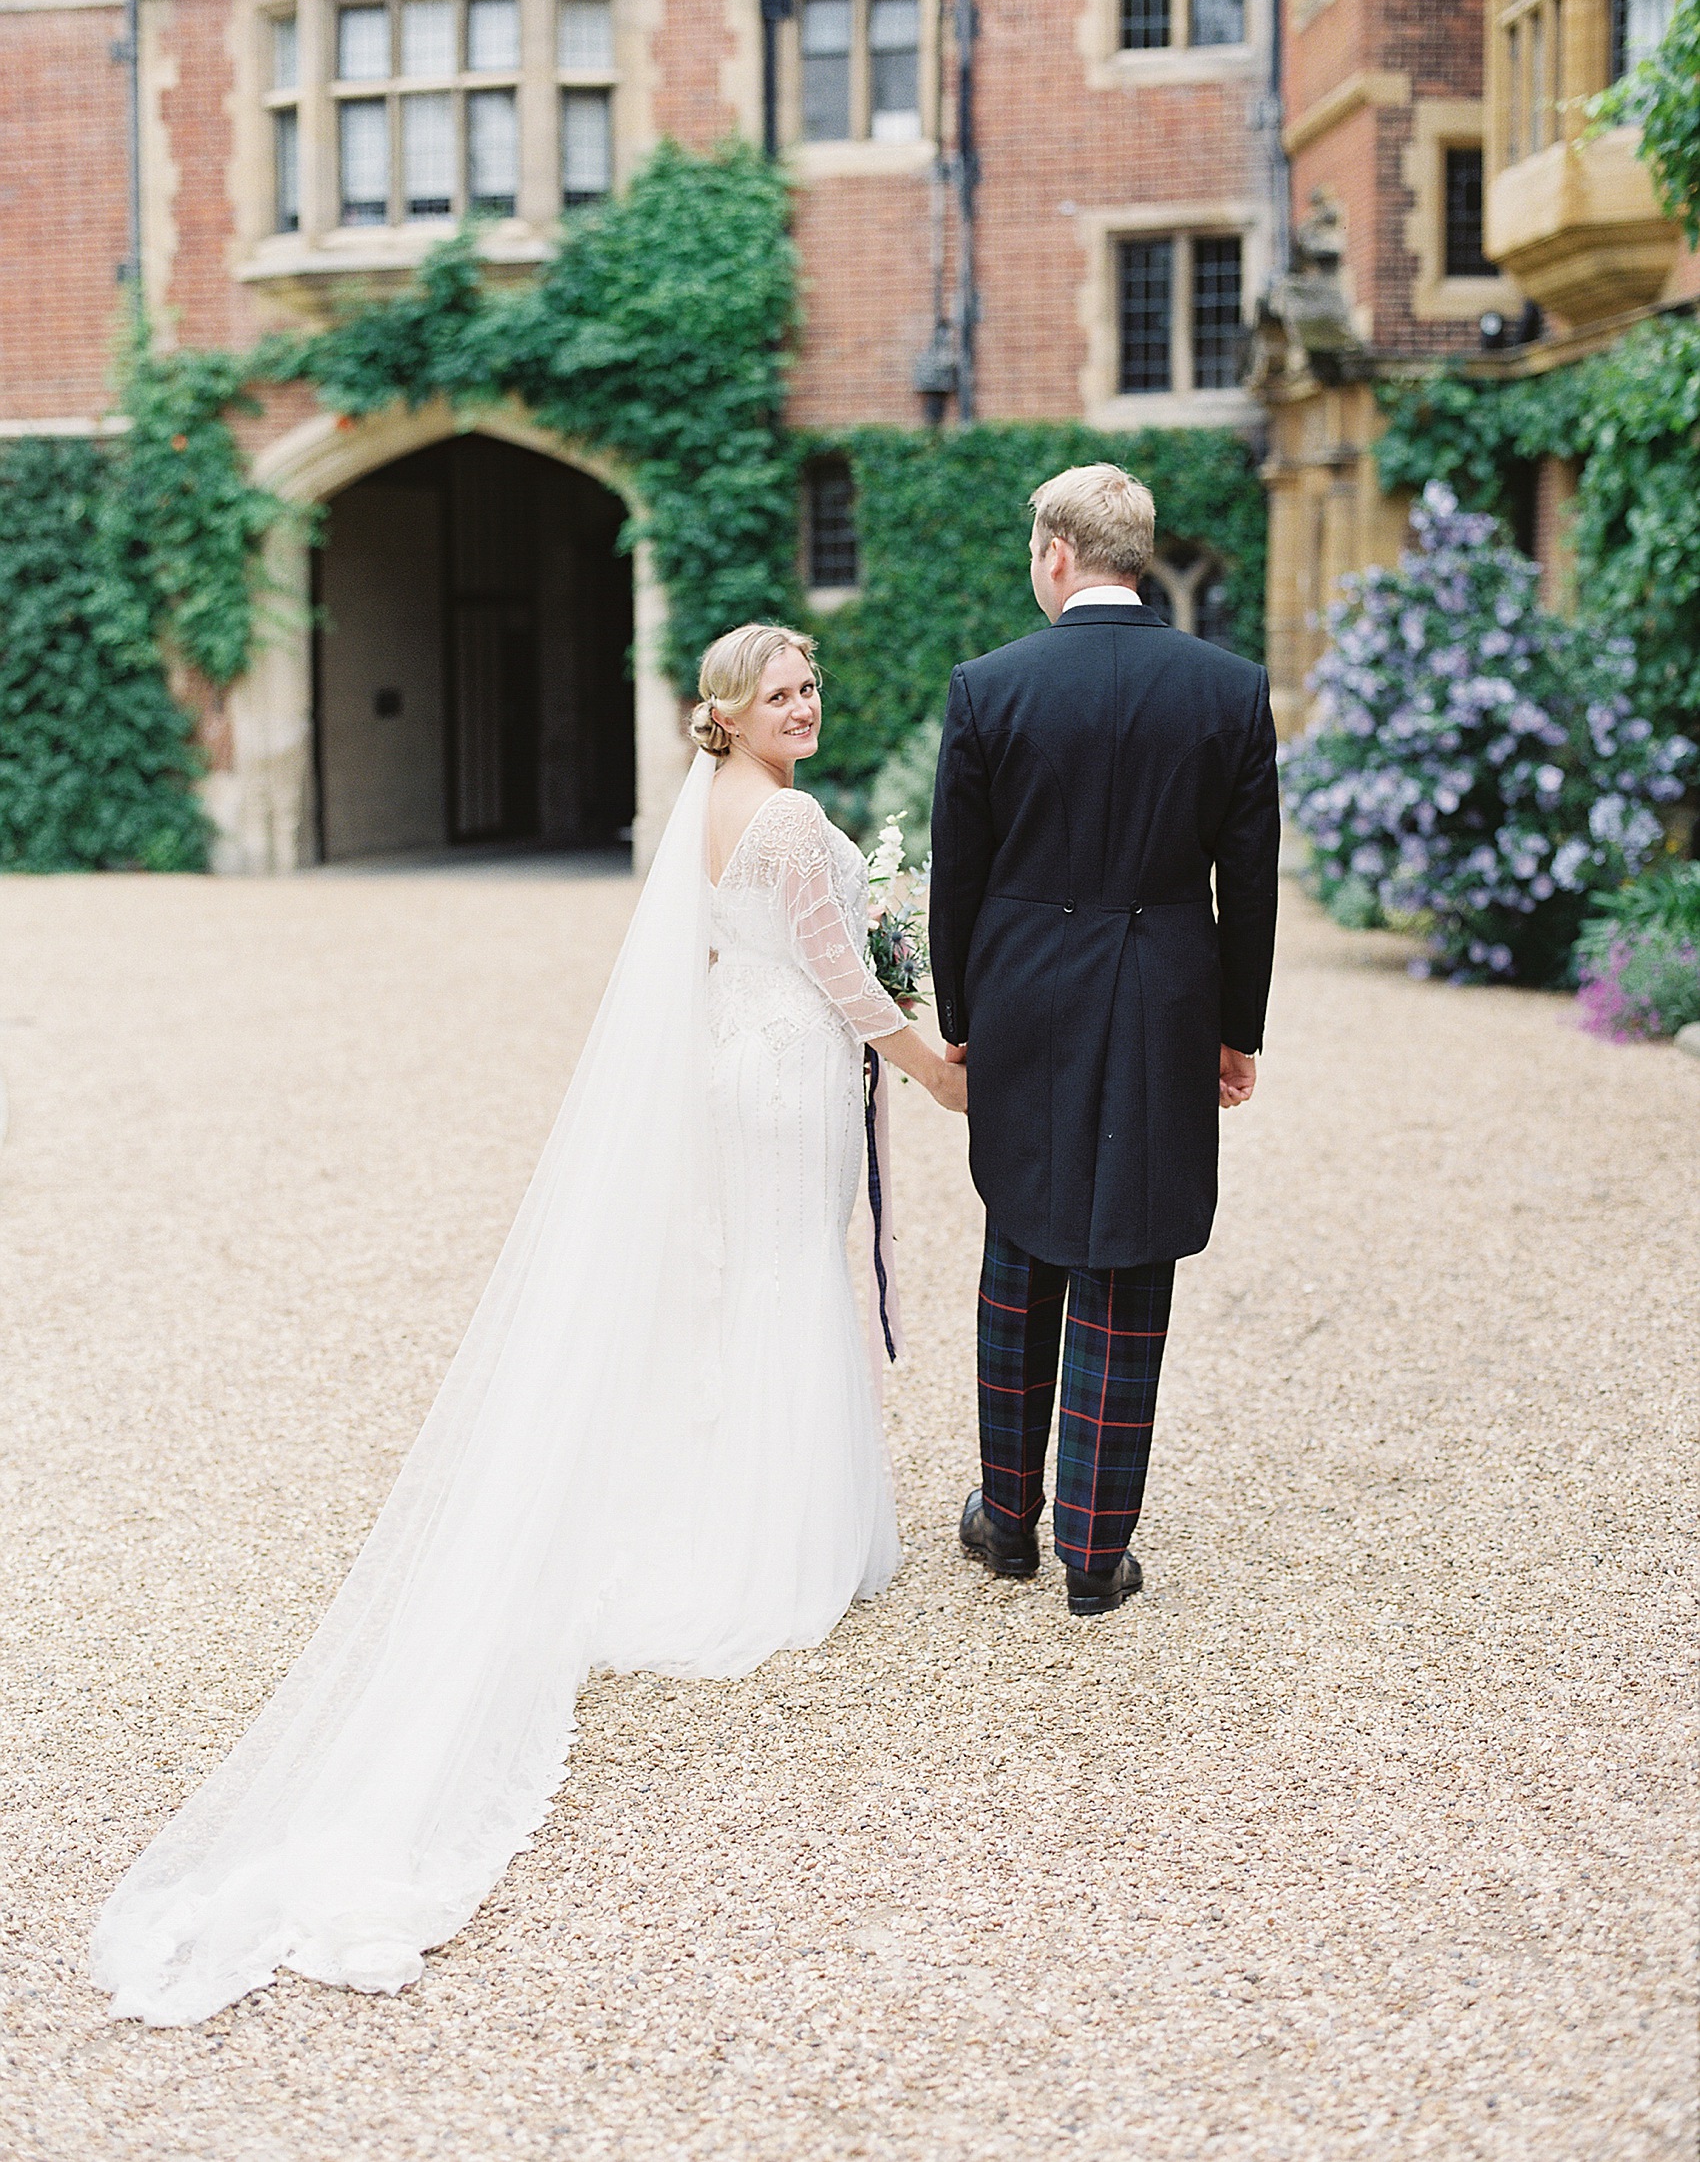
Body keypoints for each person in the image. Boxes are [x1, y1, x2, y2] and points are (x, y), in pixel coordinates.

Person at [91, 623, 965, 2027]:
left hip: (735, 1068)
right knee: (795, 1282)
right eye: (780, 692)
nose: (805, 706)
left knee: (759, 1286)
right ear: (728, 712)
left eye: (811, 687)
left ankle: (764, 1505)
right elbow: (843, 977)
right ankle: (788, 1547)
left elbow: (701, 967)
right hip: (793, 1065)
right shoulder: (792, 818)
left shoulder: (701, 816)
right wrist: (928, 1065)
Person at [930, 464, 1280, 1617]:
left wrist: (961, 1024)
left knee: (1022, 1240)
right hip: (1163, 998)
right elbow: (1252, 882)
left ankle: (1007, 1520)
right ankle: (1093, 1551)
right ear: (1135, 553)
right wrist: (1234, 1031)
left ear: (1054, 554)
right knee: (1126, 1252)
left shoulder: (988, 687)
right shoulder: (1228, 688)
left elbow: (959, 882)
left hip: (1024, 997)